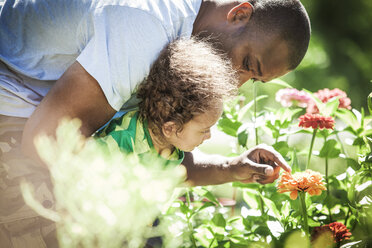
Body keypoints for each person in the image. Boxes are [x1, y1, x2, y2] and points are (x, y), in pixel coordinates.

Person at [0, 0, 310, 246]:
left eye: (253, 79)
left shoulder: (194, 35)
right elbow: (47, 140)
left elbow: (150, 150)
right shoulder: (147, 25)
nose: (236, 82)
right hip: (17, 108)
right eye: (247, 65)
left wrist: (230, 168)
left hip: (51, 117)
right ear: (239, 14)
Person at [96, 38, 237, 173]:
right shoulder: (121, 142)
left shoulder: (173, 142)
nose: (209, 136)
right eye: (204, 130)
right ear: (170, 128)